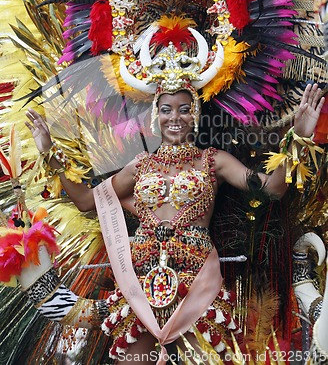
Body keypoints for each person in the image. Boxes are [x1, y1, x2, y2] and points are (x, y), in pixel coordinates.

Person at [24, 82, 325, 364]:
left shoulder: (214, 160)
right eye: (166, 109)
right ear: (156, 116)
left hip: (196, 285)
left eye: (184, 108)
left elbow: (272, 188)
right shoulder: (140, 165)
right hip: (141, 283)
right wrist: (50, 153)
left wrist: (298, 136)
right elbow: (87, 201)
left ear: (196, 114)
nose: (175, 117)